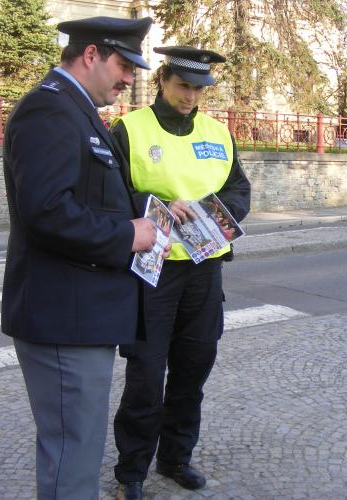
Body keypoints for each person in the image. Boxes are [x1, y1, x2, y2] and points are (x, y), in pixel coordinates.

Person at [1, 16, 160, 500]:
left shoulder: (74, 109)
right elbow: (47, 212)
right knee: (73, 456)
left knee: (74, 450)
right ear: (91, 54)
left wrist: (152, 214)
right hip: (63, 320)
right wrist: (127, 235)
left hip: (77, 316)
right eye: (123, 64)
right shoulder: (49, 111)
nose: (130, 78)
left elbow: (90, 197)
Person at [110, 46, 251, 499]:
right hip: (151, 273)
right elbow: (110, 194)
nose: (190, 96)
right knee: (146, 378)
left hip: (203, 269)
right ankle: (131, 471)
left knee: (193, 370)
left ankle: (175, 458)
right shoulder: (129, 129)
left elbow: (239, 190)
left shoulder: (218, 133)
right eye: (182, 85)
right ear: (163, 81)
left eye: (198, 88)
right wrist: (157, 208)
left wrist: (217, 218)